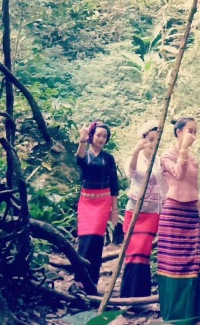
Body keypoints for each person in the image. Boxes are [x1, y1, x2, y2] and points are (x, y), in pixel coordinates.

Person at [156, 117, 200, 323]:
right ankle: (175, 313)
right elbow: (178, 174)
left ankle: (192, 312)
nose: (193, 136)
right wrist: (183, 149)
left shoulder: (193, 157)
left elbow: (195, 184)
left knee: (194, 260)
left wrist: (198, 207)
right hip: (174, 212)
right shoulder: (167, 155)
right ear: (179, 132)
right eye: (190, 131)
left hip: (191, 213)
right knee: (174, 262)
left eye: (195, 132)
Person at [119, 120, 165, 298]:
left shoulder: (160, 161)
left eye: (156, 139)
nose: (153, 143)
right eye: (150, 139)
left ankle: (141, 296)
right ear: (144, 139)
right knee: (132, 251)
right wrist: (136, 151)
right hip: (134, 211)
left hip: (153, 212)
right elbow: (130, 173)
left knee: (143, 251)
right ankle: (128, 295)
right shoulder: (136, 158)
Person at [75, 121, 120, 293]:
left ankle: (92, 281)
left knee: (96, 240)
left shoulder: (108, 158)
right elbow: (79, 160)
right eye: (99, 135)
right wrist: (82, 140)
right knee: (85, 239)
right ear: (92, 135)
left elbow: (114, 184)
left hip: (103, 202)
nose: (101, 139)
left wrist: (114, 209)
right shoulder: (85, 154)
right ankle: (79, 281)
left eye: (104, 136)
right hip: (86, 201)